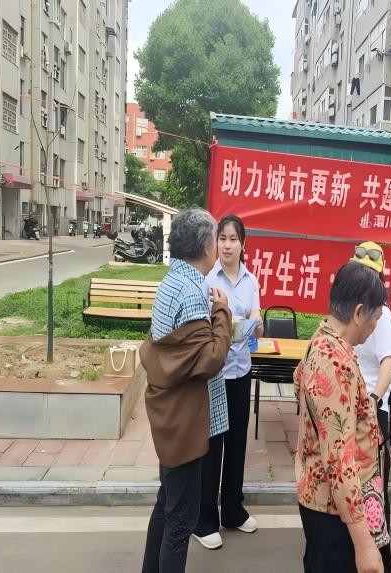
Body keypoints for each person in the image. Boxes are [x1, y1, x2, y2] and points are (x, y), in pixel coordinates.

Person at [140, 208, 232, 573]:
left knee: (167, 505)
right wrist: (222, 312)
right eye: (217, 240)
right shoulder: (193, 293)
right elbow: (210, 359)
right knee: (180, 522)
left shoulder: (171, 281)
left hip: (170, 415)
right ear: (207, 246)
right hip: (186, 421)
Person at [295, 261, 391, 573]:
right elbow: (339, 460)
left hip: (330, 499)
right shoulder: (334, 363)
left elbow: (298, 382)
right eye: (375, 319)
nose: (374, 327)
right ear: (359, 313)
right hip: (335, 509)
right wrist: (364, 546)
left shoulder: (325, 339)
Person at [193, 214, 264, 550]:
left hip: (241, 370)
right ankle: (204, 519)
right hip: (216, 373)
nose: (227, 245)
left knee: (237, 443)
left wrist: (256, 325)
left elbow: (256, 323)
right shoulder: (208, 279)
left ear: (243, 244)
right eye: (222, 238)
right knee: (213, 445)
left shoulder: (251, 281)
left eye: (233, 239)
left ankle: (233, 510)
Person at [350, 241, 391, 540]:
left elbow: (388, 362)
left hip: (371, 408)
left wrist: (374, 398)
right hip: (347, 406)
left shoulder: (383, 316)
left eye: (371, 274)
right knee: (350, 482)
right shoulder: (348, 310)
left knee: (374, 485)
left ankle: (378, 548)